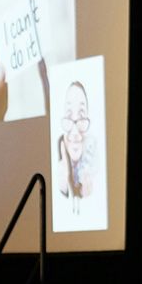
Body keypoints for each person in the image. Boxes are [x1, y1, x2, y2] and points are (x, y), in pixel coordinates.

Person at [55, 81, 95, 214]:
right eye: (68, 115)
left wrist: (89, 200)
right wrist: (62, 189)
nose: (75, 131)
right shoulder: (58, 149)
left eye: (82, 115)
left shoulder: (94, 157)